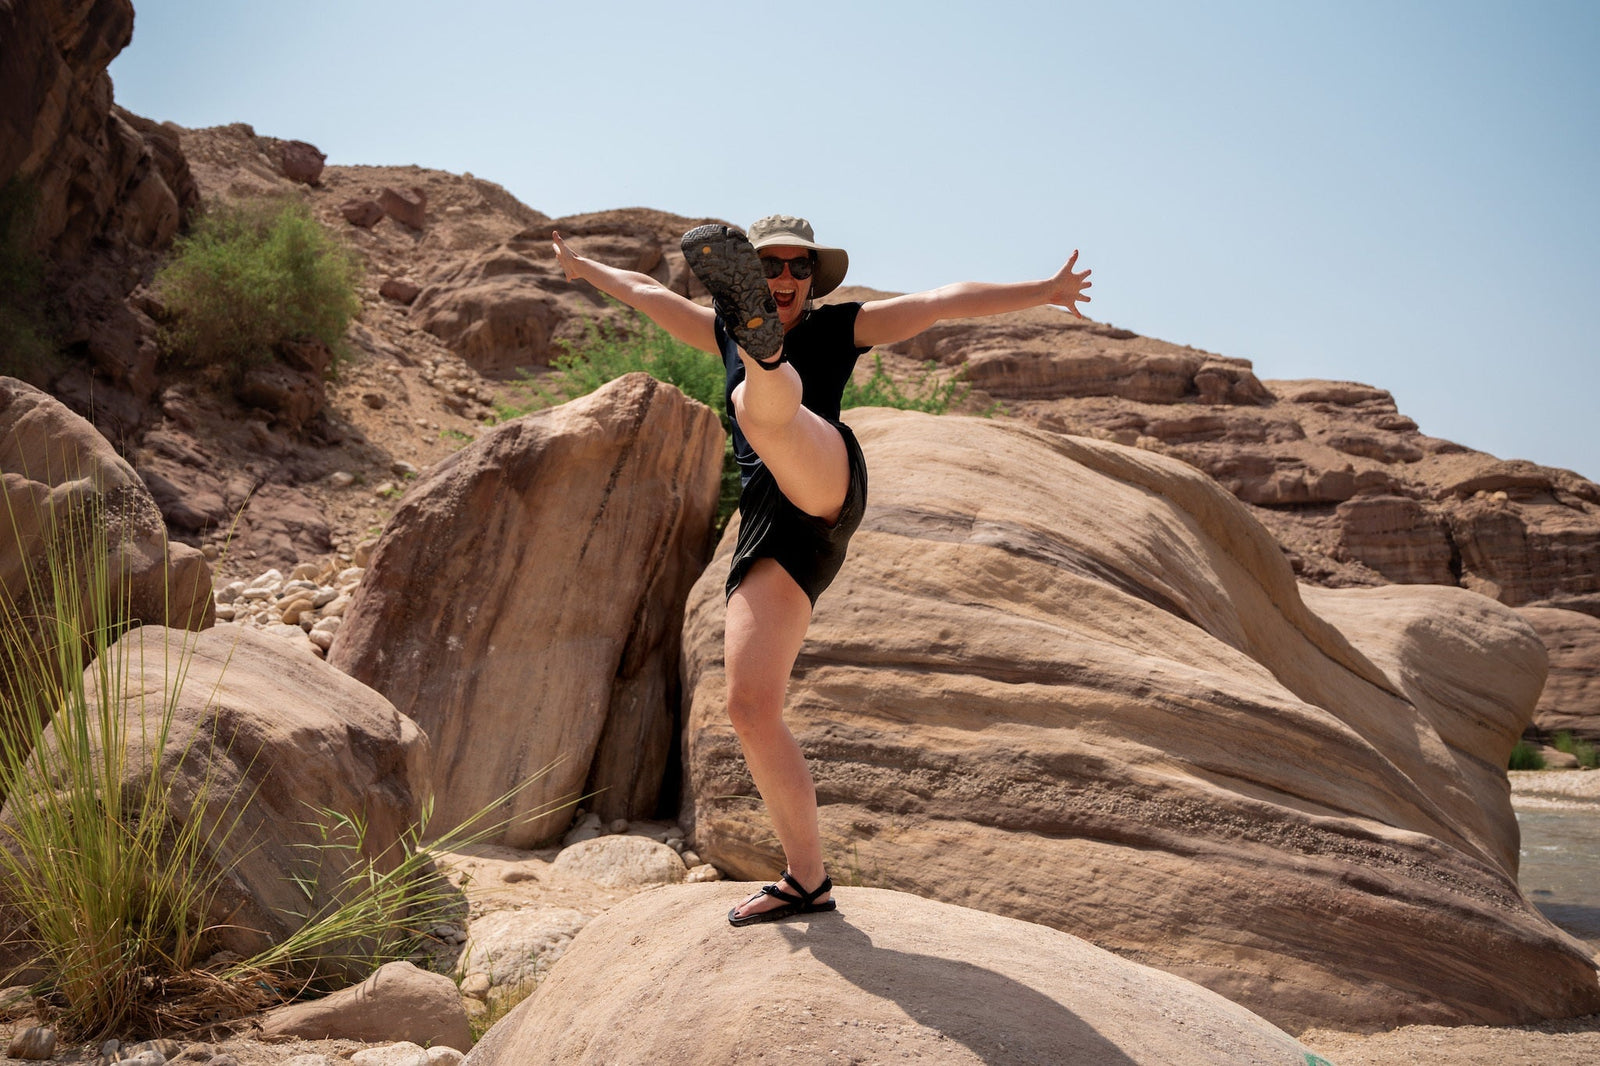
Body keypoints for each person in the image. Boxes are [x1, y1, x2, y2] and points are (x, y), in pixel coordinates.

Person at [551, 216, 1091, 925]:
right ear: (749, 274)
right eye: (768, 266)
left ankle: (770, 365)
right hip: (772, 526)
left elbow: (939, 302)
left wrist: (1044, 289)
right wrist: (583, 267)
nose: (783, 279)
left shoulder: (841, 327)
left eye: (796, 269)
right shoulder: (718, 330)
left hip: (825, 473)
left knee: (758, 404)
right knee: (749, 708)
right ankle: (807, 879)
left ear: (813, 278)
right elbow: (645, 292)